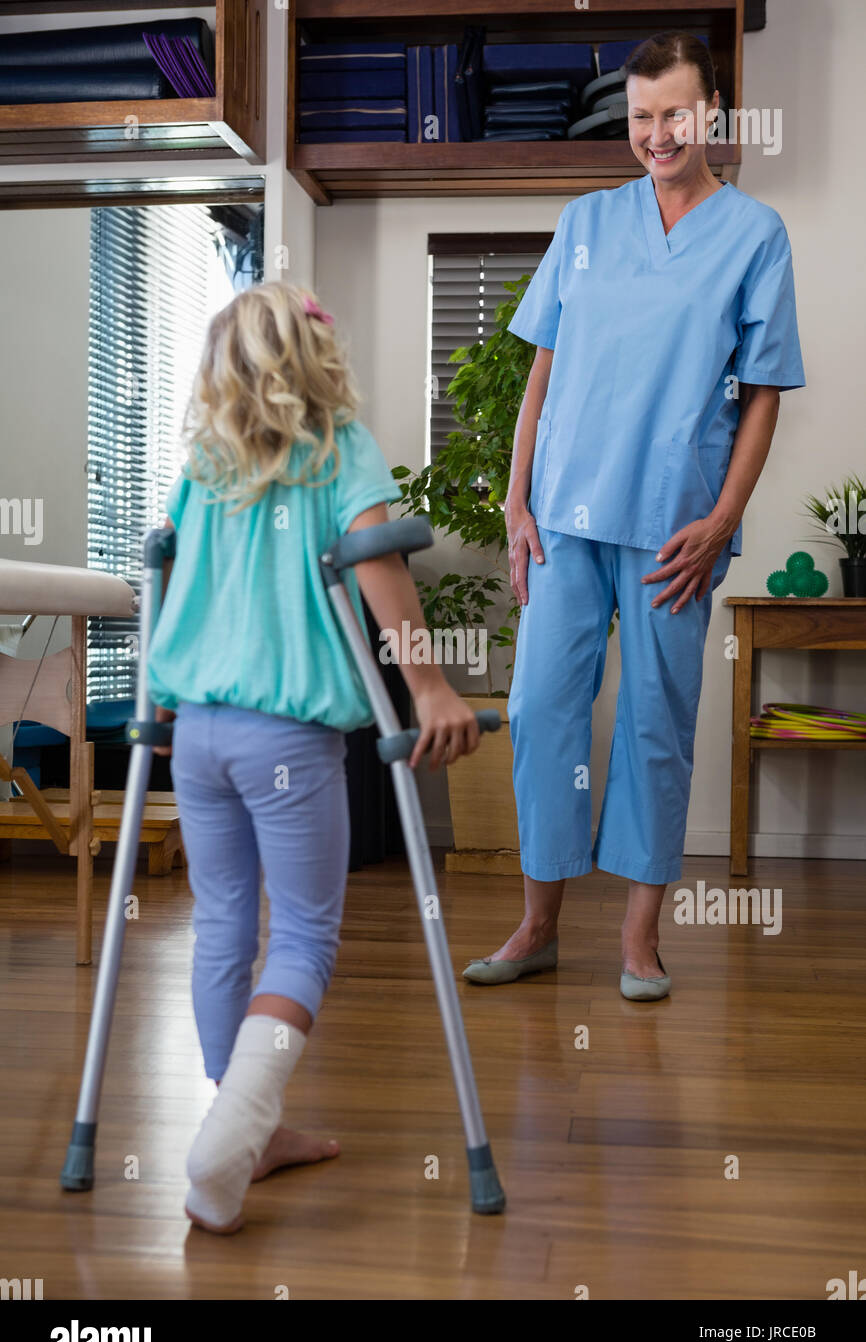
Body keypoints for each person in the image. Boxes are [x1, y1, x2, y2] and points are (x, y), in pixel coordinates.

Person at [463, 32, 805, 999]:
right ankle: (538, 924)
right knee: (538, 710)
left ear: (714, 114)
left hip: (673, 526)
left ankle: (640, 941)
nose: (656, 134)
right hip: (566, 518)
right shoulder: (585, 222)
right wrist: (517, 498)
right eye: (642, 116)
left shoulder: (755, 234)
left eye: (676, 114)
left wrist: (725, 514)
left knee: (658, 722)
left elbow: (765, 390)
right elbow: (544, 370)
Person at [147, 281, 480, 1233]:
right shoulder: (338, 449)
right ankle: (231, 1138)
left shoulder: (204, 464)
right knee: (300, 936)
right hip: (285, 738)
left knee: (222, 928)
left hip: (197, 731)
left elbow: (172, 574)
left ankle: (241, 1126)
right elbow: (381, 569)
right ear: (316, 360)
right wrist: (430, 689)